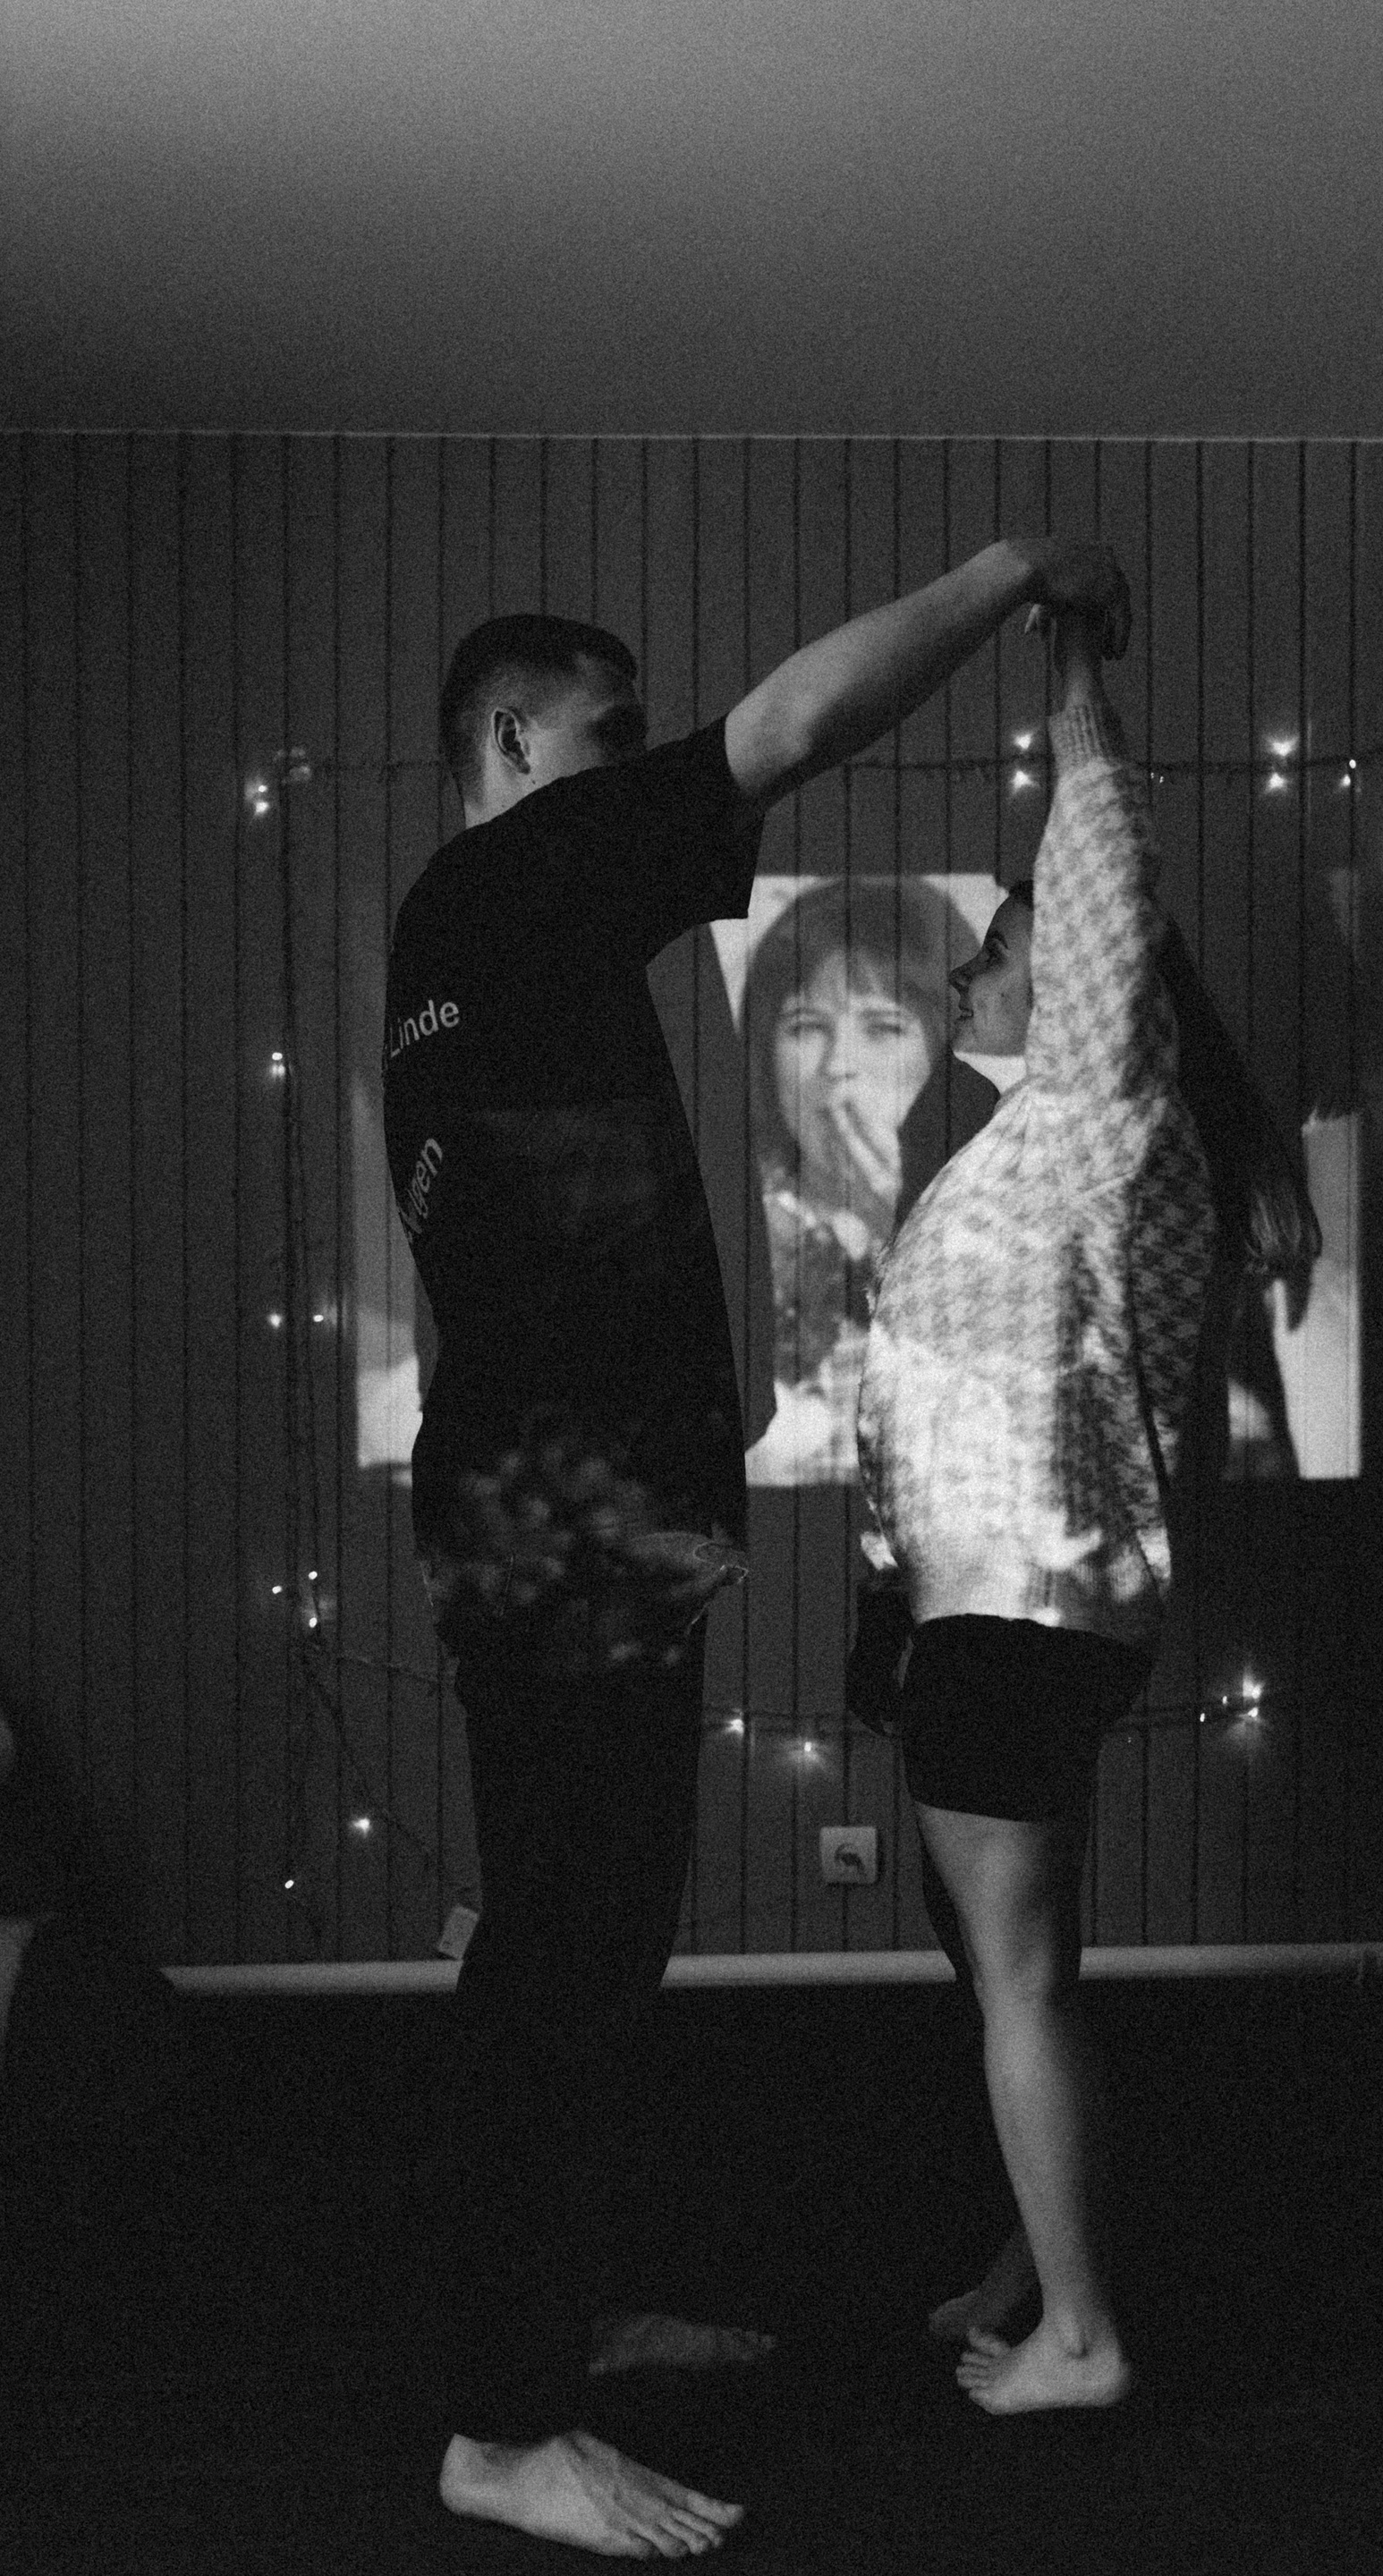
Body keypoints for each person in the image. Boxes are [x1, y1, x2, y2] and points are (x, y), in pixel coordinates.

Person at [383, 536, 1132, 2555]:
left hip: (567, 1513)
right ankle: (501, 2428)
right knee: (564, 1955)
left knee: (588, 1943)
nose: (641, 765)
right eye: (608, 732)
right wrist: (1010, 574)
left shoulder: (478, 937)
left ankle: (549, 2324)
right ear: (515, 742)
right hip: (568, 1523)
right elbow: (793, 726)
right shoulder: (518, 876)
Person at [855, 605, 1217, 2416]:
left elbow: (1099, 884)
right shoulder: (1018, 1151)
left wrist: (1076, 697)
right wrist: (884, 1607)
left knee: (1011, 1972)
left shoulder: (1094, 1102)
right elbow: (919, 1403)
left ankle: (1081, 2336)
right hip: (989, 1604)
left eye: (998, 953)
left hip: (1020, 1602)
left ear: (1067, 979)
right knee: (1022, 1962)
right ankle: (1035, 2254)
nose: (967, 976)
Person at [742, 877, 975, 1484]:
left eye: (883, 1027)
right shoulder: (732, 1220)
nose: (837, 1065)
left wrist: (901, 1231)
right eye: (805, 1026)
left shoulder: (1005, 1214)